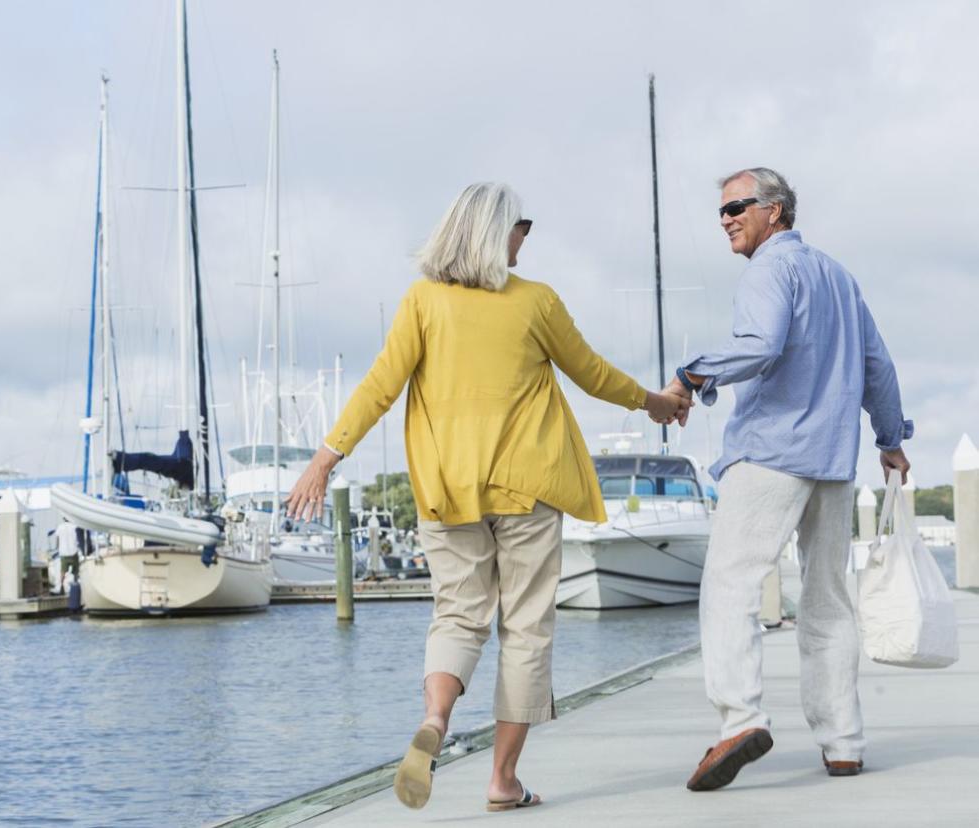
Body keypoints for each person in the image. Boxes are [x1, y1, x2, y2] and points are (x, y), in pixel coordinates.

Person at [285, 182, 688, 812]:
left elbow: (379, 387)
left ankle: (436, 721)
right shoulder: (535, 302)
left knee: (457, 616)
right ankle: (502, 781)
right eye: (521, 223)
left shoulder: (422, 302)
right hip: (528, 489)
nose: (527, 234)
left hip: (447, 490)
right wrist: (656, 403)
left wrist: (325, 457)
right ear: (494, 232)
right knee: (525, 629)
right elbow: (593, 374)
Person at [666, 167, 912, 791]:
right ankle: (843, 743)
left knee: (729, 586)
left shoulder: (769, 270)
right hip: (832, 462)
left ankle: (739, 720)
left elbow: (762, 343)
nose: (725, 219)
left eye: (737, 207)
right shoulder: (838, 277)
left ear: (775, 211)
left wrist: (694, 375)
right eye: (720, 211)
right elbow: (877, 363)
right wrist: (889, 440)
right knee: (828, 602)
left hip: (773, 453)